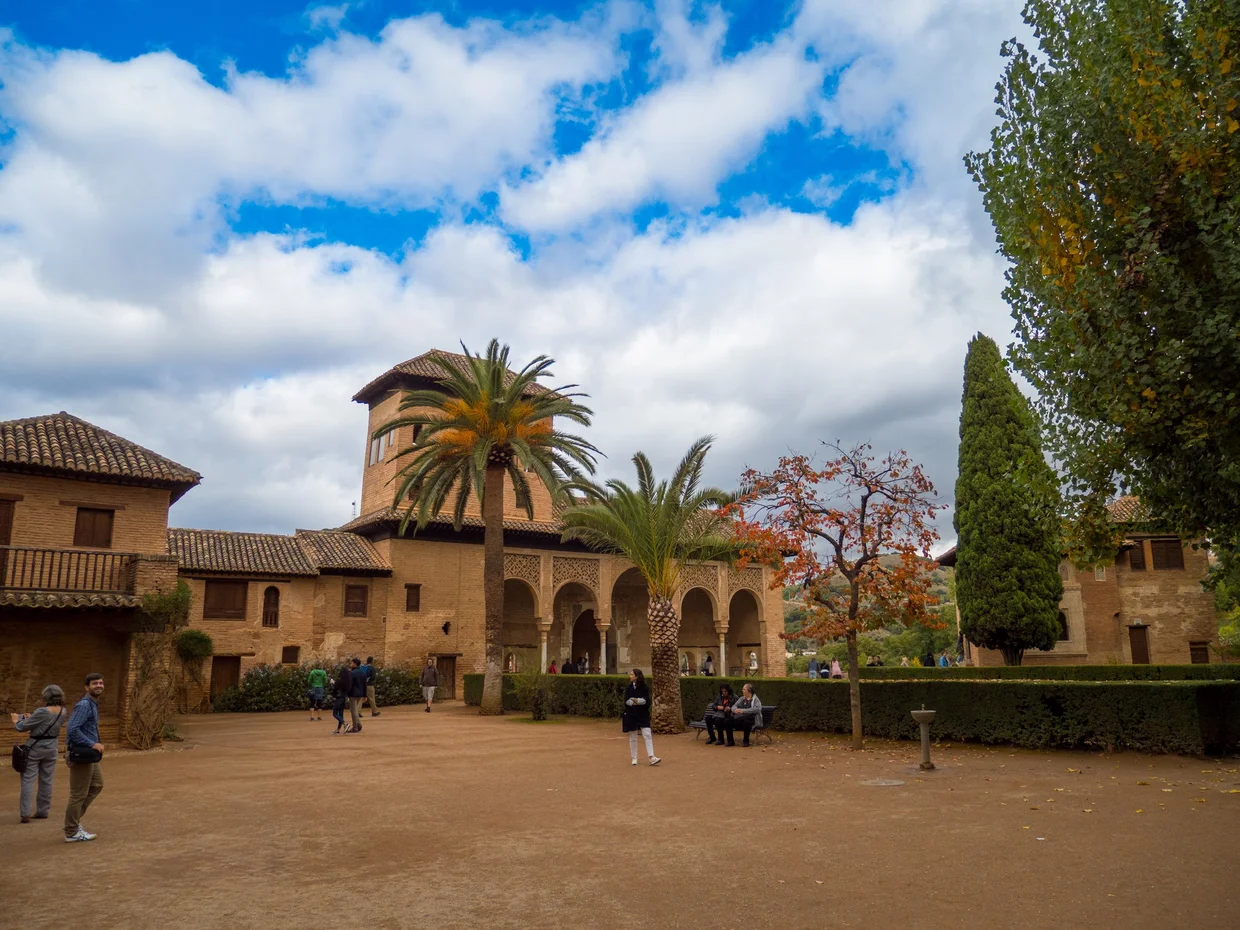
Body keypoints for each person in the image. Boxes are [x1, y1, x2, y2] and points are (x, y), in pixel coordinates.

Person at [12, 684, 67, 824]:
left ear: (46, 697)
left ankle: (25, 813)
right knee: (47, 779)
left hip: (35, 748)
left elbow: (21, 728)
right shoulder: (63, 711)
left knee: (28, 779)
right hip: (52, 748)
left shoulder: (42, 711)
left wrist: (16, 720)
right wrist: (32, 717)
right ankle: (43, 811)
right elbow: (45, 723)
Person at [64, 673, 106, 843]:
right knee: (78, 794)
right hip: (82, 754)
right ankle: (71, 831)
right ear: (87, 687)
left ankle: (73, 822)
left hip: (89, 755)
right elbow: (72, 729)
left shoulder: (92, 704)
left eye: (101, 683)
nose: (99, 685)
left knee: (97, 784)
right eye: (95, 683)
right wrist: (92, 743)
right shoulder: (84, 705)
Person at [622, 669, 660, 766]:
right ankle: (634, 758)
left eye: (632, 674)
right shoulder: (629, 688)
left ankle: (651, 757)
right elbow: (626, 701)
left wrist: (635, 700)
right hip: (631, 715)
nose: (630, 676)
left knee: (647, 734)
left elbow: (646, 701)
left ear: (637, 676)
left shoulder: (644, 687)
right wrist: (637, 701)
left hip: (643, 714)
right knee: (632, 737)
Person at [731, 683, 763, 747]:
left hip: (752, 719)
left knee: (747, 721)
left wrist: (743, 711)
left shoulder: (756, 700)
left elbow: (757, 709)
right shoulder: (742, 698)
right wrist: (735, 710)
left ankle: (746, 741)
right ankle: (730, 741)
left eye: (744, 689)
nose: (742, 690)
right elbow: (733, 706)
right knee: (728, 720)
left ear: (749, 690)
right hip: (741, 719)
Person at [330, 663, 352, 734]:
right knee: (340, 714)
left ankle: (345, 724)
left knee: (335, 713)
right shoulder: (347, 682)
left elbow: (334, 688)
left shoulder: (340, 681)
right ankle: (338, 729)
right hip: (343, 697)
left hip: (339, 697)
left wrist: (332, 683)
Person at [348, 658, 366, 731]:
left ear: (355, 664)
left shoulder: (352, 673)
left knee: (353, 710)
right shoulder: (363, 673)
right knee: (354, 710)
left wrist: (347, 692)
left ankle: (355, 726)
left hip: (353, 693)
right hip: (360, 693)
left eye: (352, 663)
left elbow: (350, 684)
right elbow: (364, 685)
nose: (351, 664)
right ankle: (358, 724)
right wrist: (365, 695)